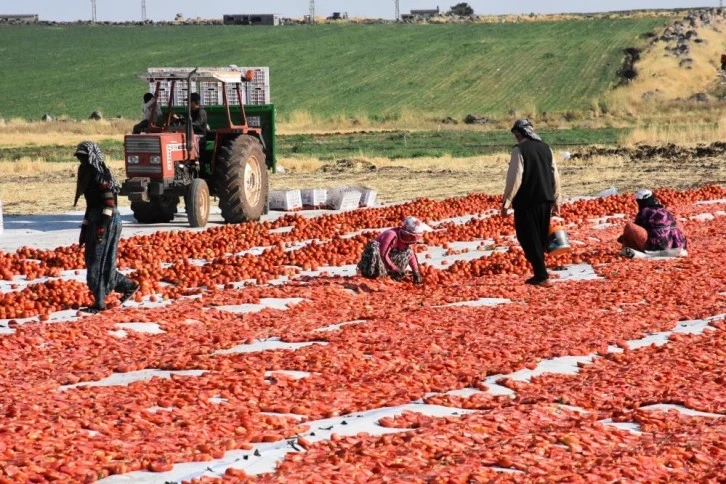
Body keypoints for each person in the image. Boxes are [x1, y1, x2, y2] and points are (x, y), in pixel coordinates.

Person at [74, 141, 139, 313]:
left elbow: (109, 203)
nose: (82, 161)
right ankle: (128, 285)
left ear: (92, 157)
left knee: (98, 261)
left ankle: (100, 303)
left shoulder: (100, 174)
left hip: (107, 219)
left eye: (84, 157)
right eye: (80, 157)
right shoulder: (86, 173)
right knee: (95, 260)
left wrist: (101, 228)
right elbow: (90, 204)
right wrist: (85, 228)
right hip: (96, 218)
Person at [501, 119, 562, 287]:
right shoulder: (546, 148)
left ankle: (542, 276)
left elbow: (515, 178)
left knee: (527, 237)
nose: (516, 138)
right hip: (545, 200)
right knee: (540, 236)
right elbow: (555, 175)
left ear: (520, 134)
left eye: (516, 135)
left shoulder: (519, 150)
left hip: (527, 201)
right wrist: (557, 200)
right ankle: (540, 272)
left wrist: (506, 202)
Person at [357, 216, 429, 284]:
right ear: (408, 234)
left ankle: (391, 273)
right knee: (373, 247)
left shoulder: (407, 241)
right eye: (413, 238)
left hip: (387, 259)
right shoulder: (391, 235)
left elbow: (411, 255)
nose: (414, 241)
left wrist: (415, 271)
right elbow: (383, 254)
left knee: (407, 251)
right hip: (377, 258)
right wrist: (394, 268)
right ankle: (372, 274)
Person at [617, 189, 687, 254]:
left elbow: (639, 230)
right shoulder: (664, 210)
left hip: (658, 245)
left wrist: (624, 238)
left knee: (629, 227)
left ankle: (626, 249)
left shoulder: (644, 212)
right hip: (678, 243)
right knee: (675, 223)